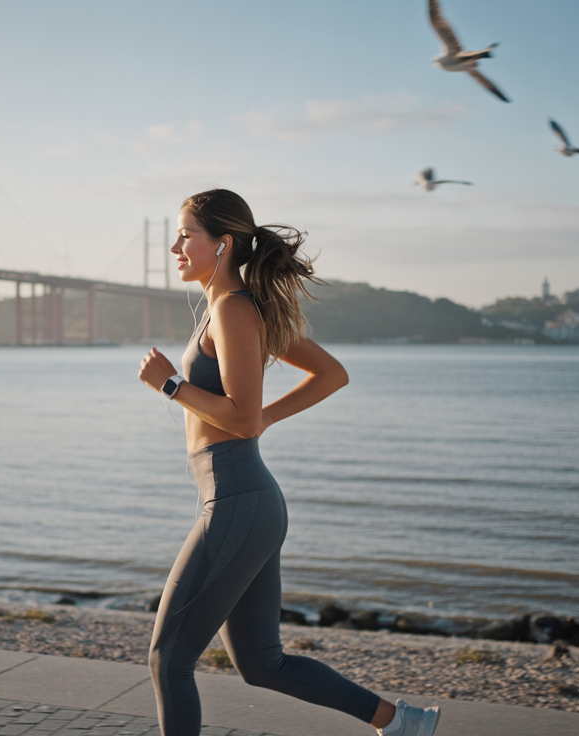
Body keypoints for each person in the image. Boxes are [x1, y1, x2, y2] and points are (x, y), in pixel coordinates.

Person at [138, 189, 440, 736]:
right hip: (246, 502)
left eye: (186, 234)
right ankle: (402, 724)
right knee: (261, 664)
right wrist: (265, 417)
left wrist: (172, 385)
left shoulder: (232, 309)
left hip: (237, 503)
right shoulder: (234, 307)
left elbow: (243, 418)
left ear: (222, 243)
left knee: (168, 658)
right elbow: (329, 374)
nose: (175, 245)